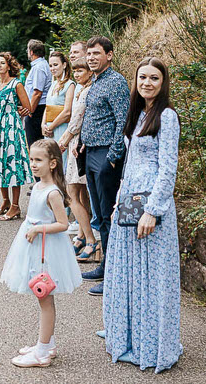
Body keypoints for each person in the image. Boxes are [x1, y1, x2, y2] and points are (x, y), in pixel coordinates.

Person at [102, 58, 181, 371]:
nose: (147, 83)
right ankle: (129, 334)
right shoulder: (137, 114)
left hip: (150, 202)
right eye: (143, 77)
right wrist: (118, 201)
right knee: (128, 271)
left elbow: (168, 168)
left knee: (151, 275)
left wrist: (153, 210)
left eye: (154, 78)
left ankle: (153, 343)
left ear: (163, 83)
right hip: (129, 198)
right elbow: (129, 163)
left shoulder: (167, 116)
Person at [0, 139, 83, 367]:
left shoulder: (53, 193)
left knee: (45, 297)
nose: (33, 164)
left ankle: (42, 352)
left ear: (53, 163)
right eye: (32, 160)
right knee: (42, 296)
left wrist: (38, 228)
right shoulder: (37, 187)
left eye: (39, 160)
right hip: (34, 246)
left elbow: (63, 224)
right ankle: (47, 343)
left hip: (46, 249)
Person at [79, 36, 130, 296]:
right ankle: (103, 265)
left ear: (109, 55)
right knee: (99, 215)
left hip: (106, 157)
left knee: (110, 216)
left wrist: (113, 156)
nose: (91, 58)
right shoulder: (96, 81)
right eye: (89, 54)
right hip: (91, 154)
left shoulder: (116, 82)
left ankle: (112, 274)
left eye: (96, 53)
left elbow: (123, 121)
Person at [58, 57, 98, 262]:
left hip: (78, 143)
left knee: (71, 192)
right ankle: (82, 235)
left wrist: (63, 141)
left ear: (90, 72)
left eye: (81, 71)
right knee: (80, 193)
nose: (77, 74)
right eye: (75, 71)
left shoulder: (88, 90)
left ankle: (91, 239)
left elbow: (76, 120)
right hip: (76, 143)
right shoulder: (80, 89)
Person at [0, 52, 33, 221]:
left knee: (13, 164)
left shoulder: (16, 84)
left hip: (12, 126)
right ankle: (5, 201)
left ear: (9, 66)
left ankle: (15, 206)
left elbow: (28, 107)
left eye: (2, 63)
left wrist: (20, 110)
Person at [41, 51, 75, 162]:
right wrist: (43, 125)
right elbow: (47, 106)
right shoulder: (53, 84)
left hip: (60, 127)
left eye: (55, 65)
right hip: (49, 128)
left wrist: (51, 127)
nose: (52, 68)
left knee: (60, 161)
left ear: (64, 65)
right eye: (50, 66)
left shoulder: (69, 84)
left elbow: (67, 112)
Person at [23, 40, 53, 147]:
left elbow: (37, 93)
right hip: (38, 108)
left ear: (31, 52)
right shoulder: (42, 65)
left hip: (37, 109)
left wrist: (30, 110)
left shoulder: (39, 67)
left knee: (34, 144)